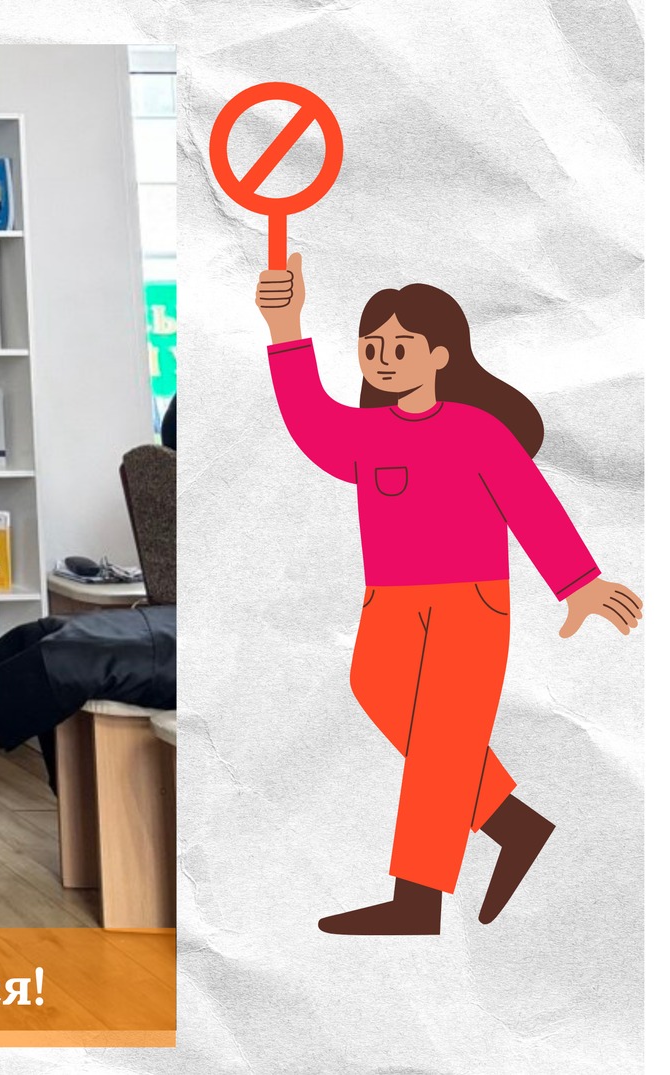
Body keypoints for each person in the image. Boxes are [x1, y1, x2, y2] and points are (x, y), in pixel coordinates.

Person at [255, 252, 643, 935]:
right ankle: (513, 825)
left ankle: (417, 899)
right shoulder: (364, 434)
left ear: (439, 355)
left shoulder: (476, 429)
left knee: (442, 738)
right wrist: (285, 326)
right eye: (372, 348)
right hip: (389, 602)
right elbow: (311, 422)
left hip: (470, 602)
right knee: (379, 689)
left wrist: (579, 582)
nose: (383, 359)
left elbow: (530, 504)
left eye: (400, 347)